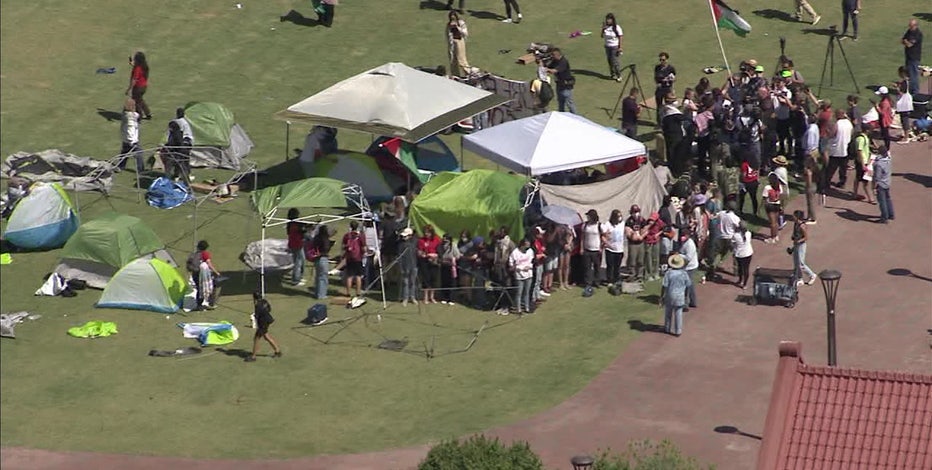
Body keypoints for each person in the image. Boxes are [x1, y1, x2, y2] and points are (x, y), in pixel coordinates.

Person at [661, 253, 692, 337]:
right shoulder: (684, 274)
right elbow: (688, 285)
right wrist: (686, 296)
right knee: (678, 313)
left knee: (668, 312)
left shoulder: (668, 273)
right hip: (680, 296)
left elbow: (664, 285)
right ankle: (678, 330)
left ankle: (667, 328)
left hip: (669, 295)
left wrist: (662, 296)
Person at [245, 292, 282, 362]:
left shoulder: (257, 305)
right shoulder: (264, 301)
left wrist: (254, 315)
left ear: (254, 298)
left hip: (263, 323)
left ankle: (253, 356)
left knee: (256, 339)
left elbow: (257, 316)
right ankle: (277, 351)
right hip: (268, 320)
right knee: (266, 337)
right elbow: (269, 309)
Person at [580, 209, 607, 296]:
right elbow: (582, 237)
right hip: (587, 249)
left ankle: (597, 282)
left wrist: (601, 247)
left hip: (596, 250)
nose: (587, 217)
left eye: (589, 216)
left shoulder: (599, 225)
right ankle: (588, 283)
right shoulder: (585, 225)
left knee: (597, 267)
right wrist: (581, 248)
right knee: (587, 268)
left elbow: (604, 236)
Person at [825, 108, 853, 189]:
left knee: (831, 168)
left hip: (836, 149)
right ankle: (842, 182)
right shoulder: (849, 123)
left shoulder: (838, 124)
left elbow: (832, 134)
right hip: (845, 149)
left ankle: (826, 183)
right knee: (843, 169)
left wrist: (827, 132)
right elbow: (851, 133)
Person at [191, 240, 220, 310]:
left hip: (195, 274)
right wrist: (216, 272)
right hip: (202, 275)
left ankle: (199, 305)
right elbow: (209, 264)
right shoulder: (205, 254)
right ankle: (211, 303)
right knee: (211, 287)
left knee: (199, 289)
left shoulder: (195, 254)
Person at [342, 221, 367, 301]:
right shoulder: (360, 236)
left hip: (349, 258)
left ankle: (348, 293)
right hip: (358, 258)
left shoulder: (346, 236)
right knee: (358, 276)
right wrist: (363, 253)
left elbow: (343, 246)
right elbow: (363, 247)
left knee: (349, 276)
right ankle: (358, 292)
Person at [508, 237, 534, 314]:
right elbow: (511, 265)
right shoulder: (515, 253)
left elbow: (532, 261)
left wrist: (529, 267)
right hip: (519, 276)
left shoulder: (530, 251)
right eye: (526, 246)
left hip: (529, 274)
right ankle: (518, 309)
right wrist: (520, 268)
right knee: (519, 292)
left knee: (527, 292)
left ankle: (527, 307)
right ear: (522, 245)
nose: (527, 248)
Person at [791, 210, 817, 285]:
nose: (793, 217)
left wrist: (798, 241)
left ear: (797, 217)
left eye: (794, 216)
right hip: (796, 244)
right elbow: (795, 233)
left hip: (801, 245)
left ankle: (812, 275)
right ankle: (800, 278)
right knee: (796, 262)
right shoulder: (795, 224)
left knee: (801, 263)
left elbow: (806, 237)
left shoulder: (802, 226)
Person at [417, 225, 442, 304]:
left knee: (433, 279)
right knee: (426, 279)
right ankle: (425, 297)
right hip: (425, 262)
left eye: (428, 232)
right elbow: (419, 251)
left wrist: (436, 255)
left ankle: (432, 297)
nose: (427, 234)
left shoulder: (437, 239)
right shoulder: (421, 240)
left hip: (434, 262)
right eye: (425, 233)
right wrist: (423, 255)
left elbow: (440, 250)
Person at [117, 98, 143, 173]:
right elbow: (130, 130)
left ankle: (120, 167)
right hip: (132, 141)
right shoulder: (131, 118)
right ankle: (140, 170)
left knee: (124, 154)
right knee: (139, 155)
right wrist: (131, 141)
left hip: (125, 139)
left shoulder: (125, 115)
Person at [546, 49, 576, 114]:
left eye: (553, 55)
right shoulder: (555, 61)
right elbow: (548, 67)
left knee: (569, 103)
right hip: (559, 84)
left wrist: (546, 69)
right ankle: (561, 115)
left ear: (557, 55)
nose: (551, 57)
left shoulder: (563, 62)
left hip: (566, 85)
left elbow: (555, 70)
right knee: (560, 102)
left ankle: (576, 117)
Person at [125, 51, 151, 120]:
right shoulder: (144, 66)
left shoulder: (137, 68)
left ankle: (139, 116)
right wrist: (132, 64)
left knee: (136, 102)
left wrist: (129, 89)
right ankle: (148, 113)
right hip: (144, 86)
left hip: (138, 87)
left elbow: (134, 79)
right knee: (140, 100)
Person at [872, 146, 894, 224]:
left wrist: (874, 187)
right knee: (888, 199)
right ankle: (891, 214)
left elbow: (877, 177)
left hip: (881, 184)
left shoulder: (878, 164)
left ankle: (884, 218)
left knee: (882, 201)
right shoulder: (888, 159)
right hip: (887, 182)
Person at [678, 226, 699, 309]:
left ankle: (685, 304)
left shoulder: (690, 244)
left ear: (688, 235)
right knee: (690, 284)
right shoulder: (684, 242)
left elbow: (688, 258)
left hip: (690, 267)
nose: (682, 237)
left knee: (686, 285)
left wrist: (679, 255)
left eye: (684, 235)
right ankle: (693, 302)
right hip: (686, 266)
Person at [851, 124, 873, 203]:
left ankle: (854, 194)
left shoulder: (865, 138)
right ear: (867, 130)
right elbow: (859, 151)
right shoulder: (861, 139)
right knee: (865, 180)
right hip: (861, 162)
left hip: (864, 161)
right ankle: (870, 198)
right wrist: (863, 164)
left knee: (858, 178)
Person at [625, 205, 647, 281]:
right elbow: (627, 231)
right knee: (632, 260)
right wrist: (632, 236)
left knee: (640, 260)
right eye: (634, 212)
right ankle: (632, 275)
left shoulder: (642, 220)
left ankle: (640, 275)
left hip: (640, 242)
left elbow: (645, 230)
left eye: (637, 212)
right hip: (632, 243)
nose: (635, 213)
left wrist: (642, 236)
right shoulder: (629, 221)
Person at [437, 234, 460, 305]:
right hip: (444, 266)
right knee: (444, 282)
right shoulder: (440, 246)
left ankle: (452, 299)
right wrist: (441, 260)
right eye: (444, 240)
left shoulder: (453, 245)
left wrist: (452, 260)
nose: (445, 242)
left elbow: (457, 256)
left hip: (452, 266)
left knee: (452, 282)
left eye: (446, 240)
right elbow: (439, 255)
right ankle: (444, 297)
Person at [397, 228, 418, 306]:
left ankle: (412, 297)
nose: (404, 238)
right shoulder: (401, 244)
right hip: (405, 266)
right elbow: (399, 257)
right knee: (405, 283)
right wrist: (401, 268)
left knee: (412, 282)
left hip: (413, 266)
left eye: (406, 236)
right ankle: (405, 298)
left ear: (410, 236)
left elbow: (416, 237)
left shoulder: (414, 242)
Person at [604, 210, 626, 286]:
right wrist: (607, 243)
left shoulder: (622, 224)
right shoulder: (608, 224)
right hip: (610, 249)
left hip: (619, 249)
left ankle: (616, 279)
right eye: (618, 216)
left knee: (617, 266)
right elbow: (603, 235)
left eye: (620, 216)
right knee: (610, 266)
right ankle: (609, 280)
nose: (620, 218)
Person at [446, 11, 471, 78]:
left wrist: (457, 27)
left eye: (453, 18)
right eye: (451, 18)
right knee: (453, 60)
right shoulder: (449, 25)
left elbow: (465, 33)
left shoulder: (461, 23)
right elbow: (448, 35)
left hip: (459, 41)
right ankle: (455, 75)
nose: (452, 20)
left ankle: (468, 73)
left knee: (461, 59)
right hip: (452, 42)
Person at [895, 66, 915, 144]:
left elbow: (901, 92)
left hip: (904, 103)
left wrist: (897, 87)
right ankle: (907, 133)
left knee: (904, 120)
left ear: (903, 73)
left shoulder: (904, 82)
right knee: (905, 119)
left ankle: (906, 138)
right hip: (907, 102)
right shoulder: (907, 81)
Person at [902, 19, 923, 95]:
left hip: (914, 57)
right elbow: (902, 40)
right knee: (909, 74)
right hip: (908, 55)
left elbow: (909, 44)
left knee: (914, 75)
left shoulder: (917, 34)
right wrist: (905, 41)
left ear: (915, 25)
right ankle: (910, 90)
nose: (909, 27)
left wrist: (906, 41)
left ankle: (915, 92)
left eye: (911, 26)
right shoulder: (909, 32)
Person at [286, 208, 306, 286]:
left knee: (301, 260)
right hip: (297, 245)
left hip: (294, 244)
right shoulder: (296, 224)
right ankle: (295, 280)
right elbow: (302, 231)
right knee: (298, 262)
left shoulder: (290, 223)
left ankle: (299, 277)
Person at [653, 53, 676, 120]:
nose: (662, 61)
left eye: (663, 60)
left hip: (667, 89)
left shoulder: (671, 68)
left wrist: (672, 88)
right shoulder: (657, 67)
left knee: (668, 106)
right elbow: (656, 78)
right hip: (660, 89)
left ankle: (668, 120)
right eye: (660, 60)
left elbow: (674, 78)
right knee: (659, 106)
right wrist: (659, 81)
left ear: (667, 60)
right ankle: (659, 122)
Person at [601, 13, 623, 81]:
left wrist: (620, 47)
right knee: (609, 61)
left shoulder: (617, 27)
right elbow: (602, 36)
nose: (608, 21)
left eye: (609, 19)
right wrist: (603, 29)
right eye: (607, 19)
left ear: (612, 20)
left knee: (614, 61)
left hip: (614, 47)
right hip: (607, 46)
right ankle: (612, 74)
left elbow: (620, 37)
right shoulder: (605, 27)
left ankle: (619, 75)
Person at [311, 225, 332, 299]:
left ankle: (317, 293)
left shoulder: (316, 238)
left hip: (316, 259)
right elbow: (326, 249)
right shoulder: (325, 239)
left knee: (318, 277)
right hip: (323, 258)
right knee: (323, 277)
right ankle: (321, 294)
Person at [531, 226, 550, 304]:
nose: (542, 235)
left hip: (541, 263)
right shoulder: (533, 243)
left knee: (539, 280)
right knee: (536, 281)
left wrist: (543, 249)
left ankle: (537, 295)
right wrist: (541, 255)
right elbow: (533, 255)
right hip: (537, 264)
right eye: (540, 234)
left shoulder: (539, 241)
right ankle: (533, 298)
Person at [732, 222, 754, 289]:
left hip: (739, 254)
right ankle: (745, 284)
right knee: (746, 268)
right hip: (748, 253)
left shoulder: (735, 235)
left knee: (740, 268)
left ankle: (740, 280)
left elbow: (732, 243)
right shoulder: (748, 233)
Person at [762, 174, 783, 244]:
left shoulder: (767, 187)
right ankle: (776, 235)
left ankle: (772, 237)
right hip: (777, 204)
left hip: (770, 205)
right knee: (776, 222)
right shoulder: (779, 186)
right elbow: (781, 196)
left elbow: (764, 198)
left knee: (772, 223)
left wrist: (765, 206)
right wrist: (781, 206)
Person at [738, 151, 760, 216]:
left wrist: (740, 180)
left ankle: (740, 210)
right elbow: (757, 171)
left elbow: (744, 175)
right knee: (754, 198)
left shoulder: (744, 164)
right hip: (754, 182)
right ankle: (755, 212)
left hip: (746, 183)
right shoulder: (755, 162)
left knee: (742, 197)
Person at [556, 223, 575, 290]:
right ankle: (560, 283)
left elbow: (572, 236)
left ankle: (566, 282)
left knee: (567, 265)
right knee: (560, 265)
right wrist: (564, 244)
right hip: (560, 247)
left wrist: (569, 244)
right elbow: (558, 238)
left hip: (568, 247)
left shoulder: (570, 226)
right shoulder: (558, 227)